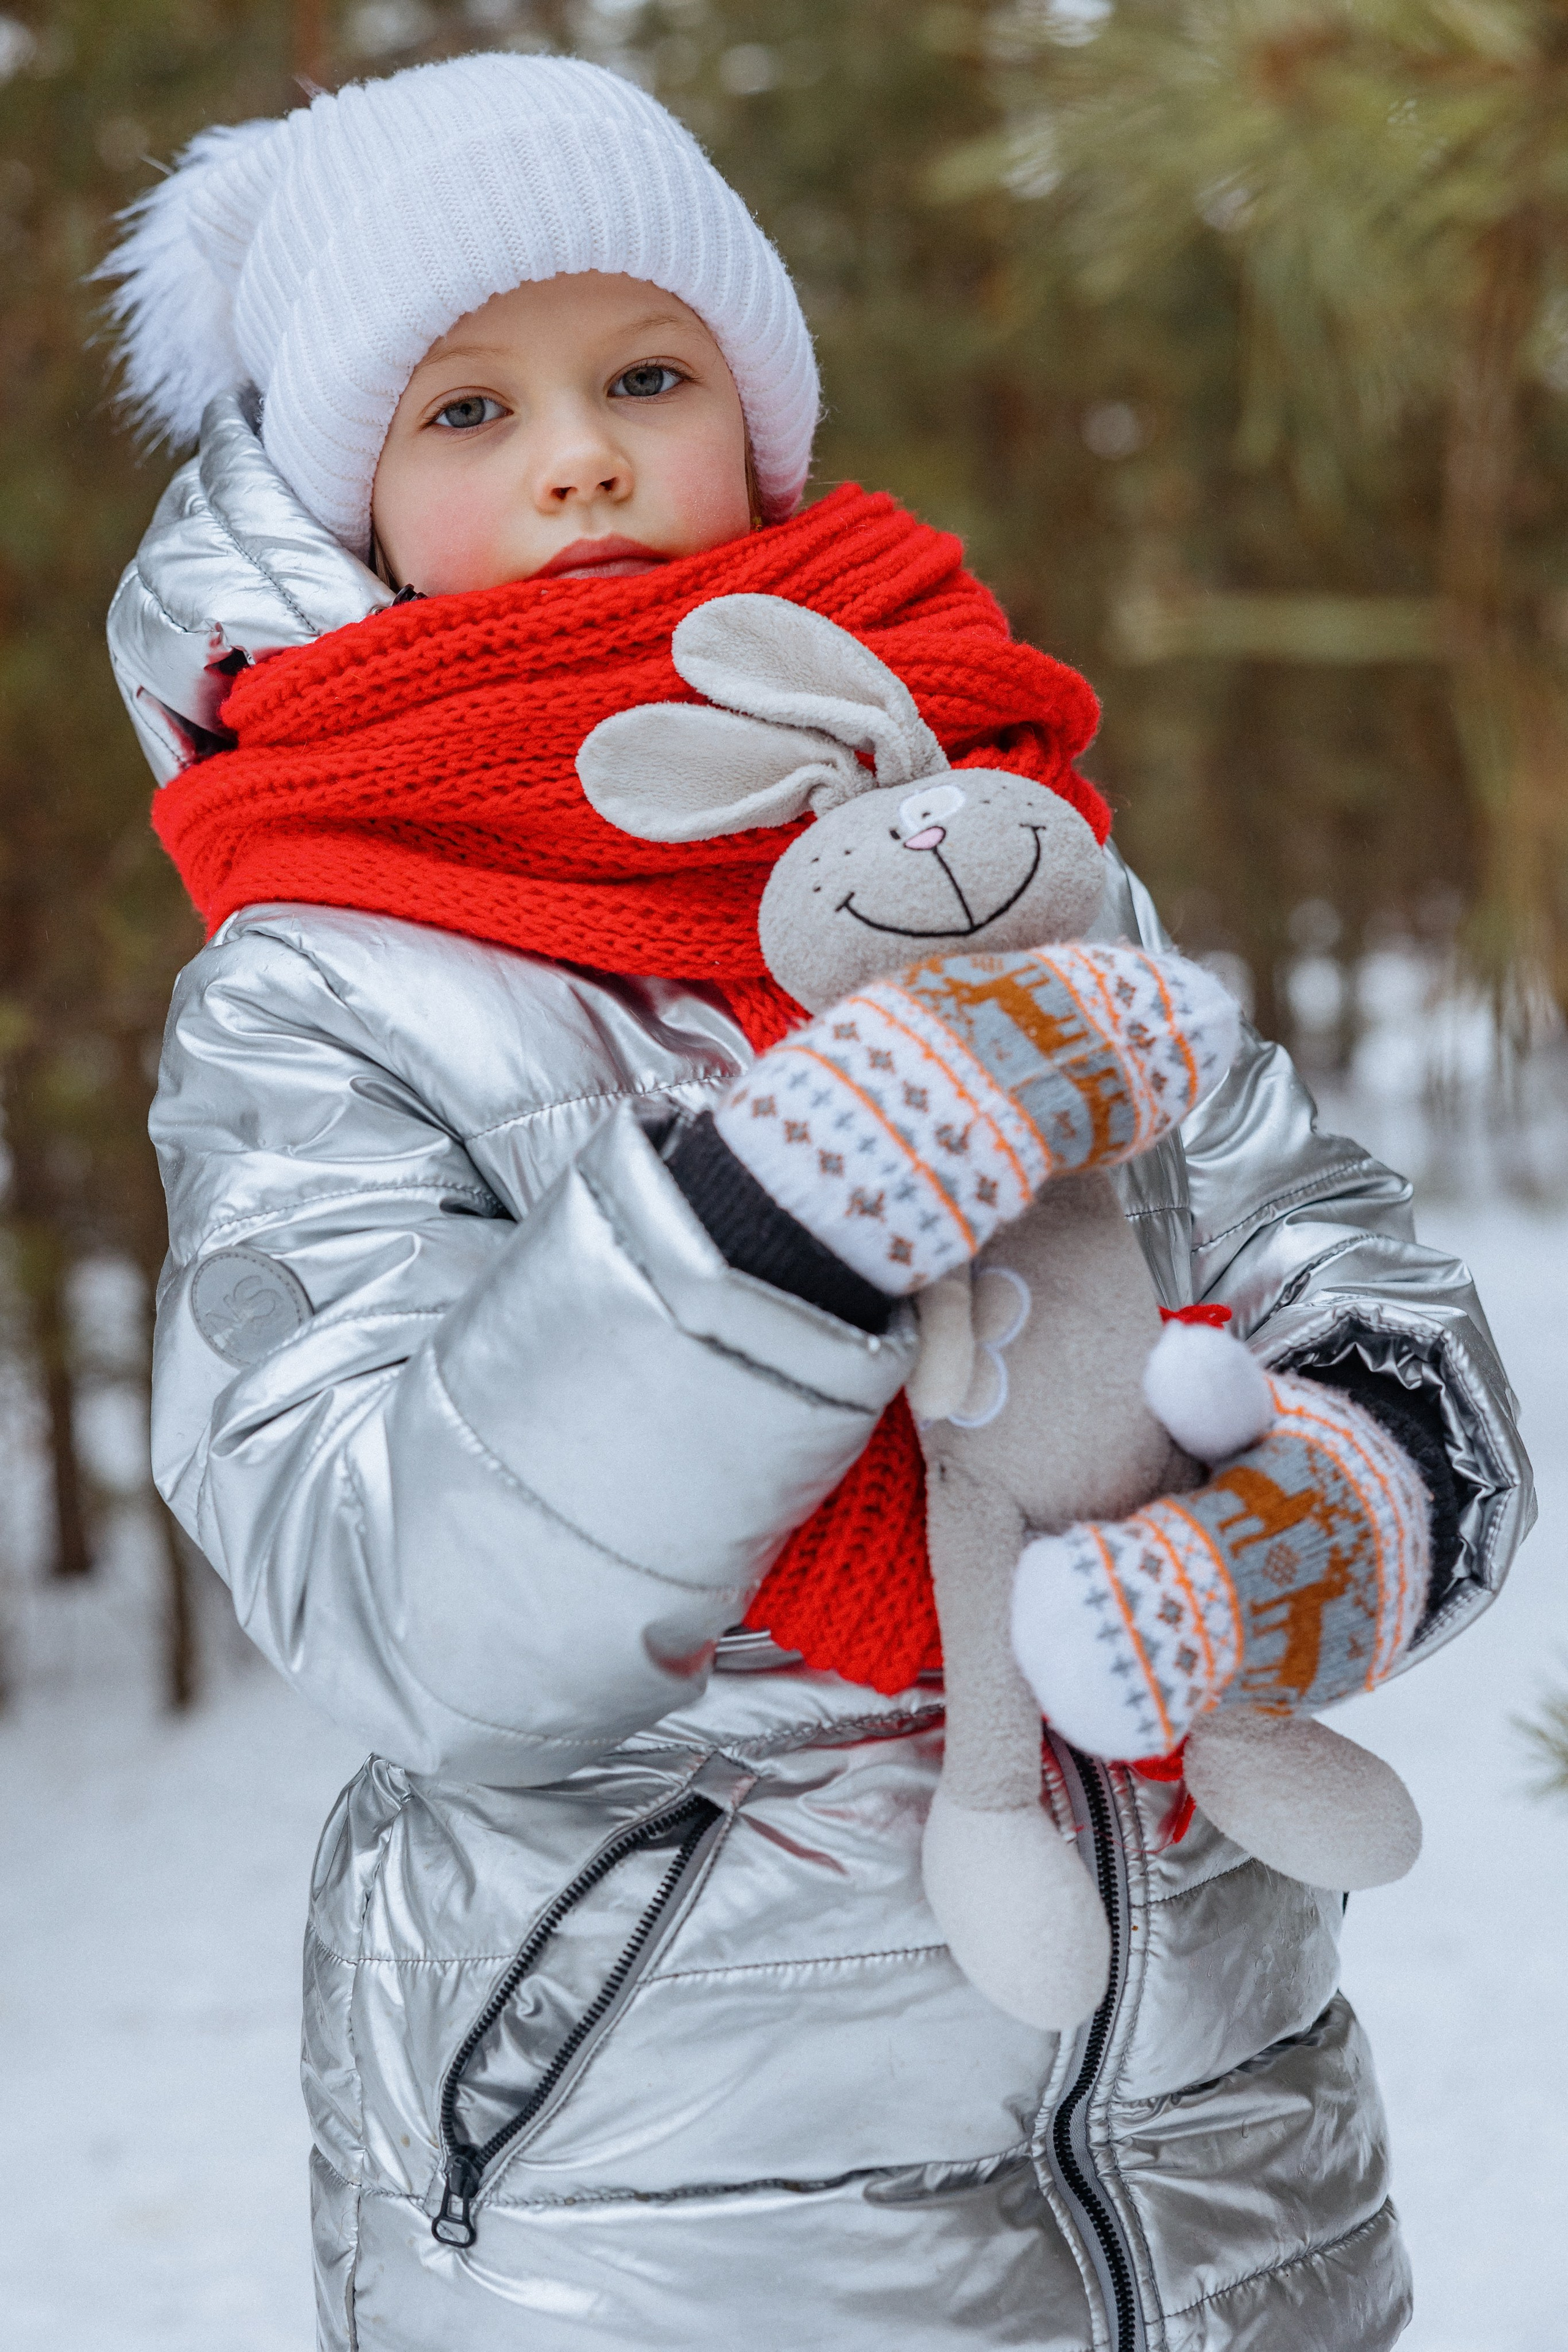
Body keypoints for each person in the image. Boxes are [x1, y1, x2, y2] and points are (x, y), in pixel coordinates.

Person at [103, 53, 1529, 2352]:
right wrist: (750, 1233)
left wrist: (1325, 1522)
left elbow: (1318, 1247)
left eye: (641, 375)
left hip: (1231, 2159)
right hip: (676, 2202)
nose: (576, 450)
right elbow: (390, 1590)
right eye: (463, 412)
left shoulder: (986, 838)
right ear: (335, 496)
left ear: (753, 425)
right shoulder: (334, 982)